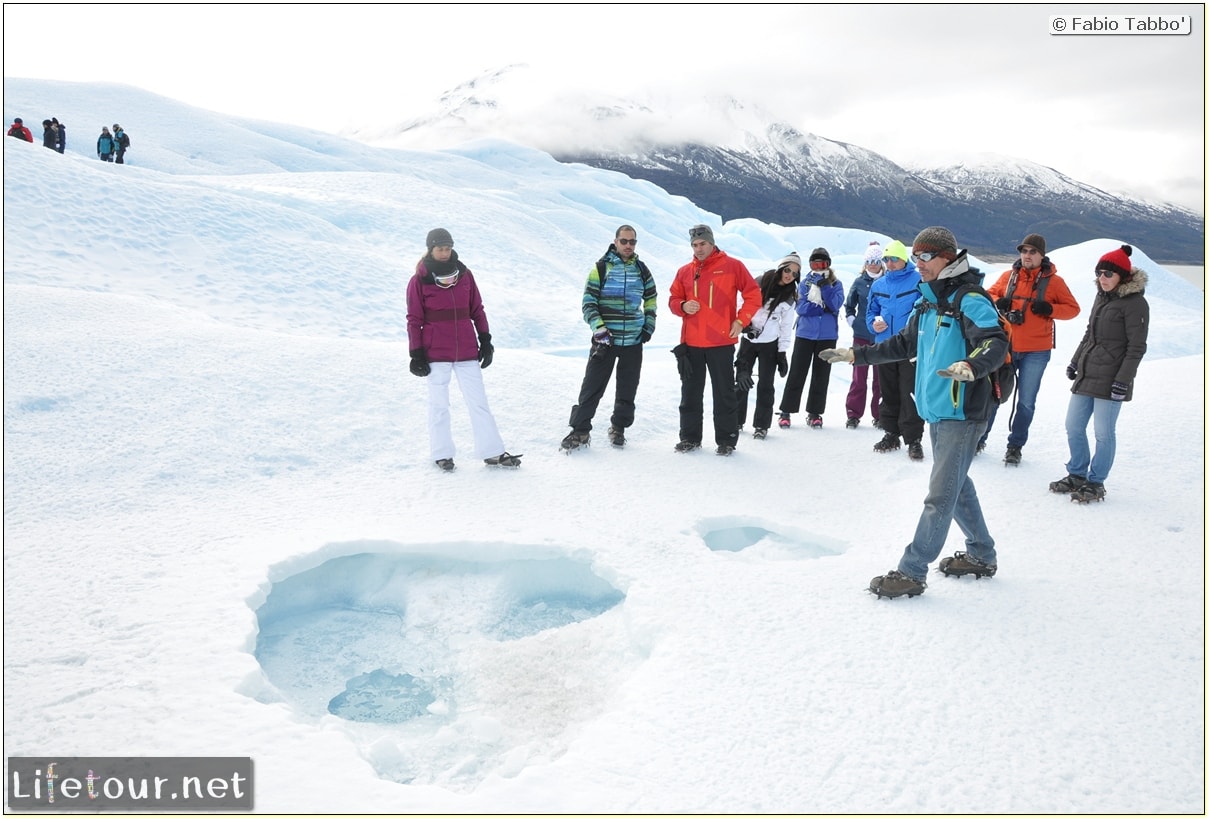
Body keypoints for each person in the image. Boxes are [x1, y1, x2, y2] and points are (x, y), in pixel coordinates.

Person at [821, 226, 1009, 599]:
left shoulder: (968, 299)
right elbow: (903, 343)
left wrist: (973, 365)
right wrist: (858, 354)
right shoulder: (928, 301)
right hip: (937, 408)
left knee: (940, 495)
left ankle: (912, 570)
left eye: (926, 257)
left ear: (948, 258)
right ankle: (982, 554)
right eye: (916, 256)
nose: (918, 263)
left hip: (963, 409)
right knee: (956, 483)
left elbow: (994, 340)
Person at [406, 227, 521, 471]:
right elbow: (414, 319)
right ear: (430, 249)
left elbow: (477, 309)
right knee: (439, 405)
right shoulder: (418, 280)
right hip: (435, 352)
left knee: (478, 402)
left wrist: (486, 339)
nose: (445, 253)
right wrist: (416, 353)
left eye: (448, 248)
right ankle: (442, 454)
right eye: (440, 249)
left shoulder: (465, 275)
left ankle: (492, 452)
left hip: (467, 349)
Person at [1050, 245, 1149, 504]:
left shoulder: (1136, 304)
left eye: (1108, 274)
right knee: (1073, 426)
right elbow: (1089, 334)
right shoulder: (1102, 297)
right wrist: (1075, 362)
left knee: (1104, 433)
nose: (1102, 278)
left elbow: (1136, 348)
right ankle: (1077, 473)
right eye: (1099, 273)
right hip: (1088, 372)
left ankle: (1096, 482)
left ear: (1122, 277)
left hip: (1113, 378)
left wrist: (1122, 381)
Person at [980, 233, 1081, 464]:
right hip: (1008, 346)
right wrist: (998, 302)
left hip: (1036, 351)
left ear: (1042, 255)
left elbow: (1073, 309)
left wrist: (1049, 309)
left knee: (1026, 402)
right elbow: (987, 294)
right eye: (1024, 251)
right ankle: (980, 438)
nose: (1027, 255)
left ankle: (1015, 446)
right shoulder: (1008, 277)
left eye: (1032, 251)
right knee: (994, 395)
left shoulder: (1055, 282)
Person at [561, 224, 658, 451]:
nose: (628, 245)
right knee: (592, 385)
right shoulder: (601, 268)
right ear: (615, 242)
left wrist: (649, 324)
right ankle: (580, 430)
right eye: (624, 241)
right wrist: (599, 328)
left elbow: (651, 297)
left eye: (632, 242)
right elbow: (588, 303)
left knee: (628, 387)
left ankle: (618, 428)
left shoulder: (642, 270)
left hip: (633, 340)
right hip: (605, 341)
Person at [668, 224, 761, 455]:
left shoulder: (732, 266)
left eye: (703, 244)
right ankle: (690, 438)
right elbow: (673, 299)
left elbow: (753, 294)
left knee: (724, 393)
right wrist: (682, 306)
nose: (699, 249)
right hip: (691, 344)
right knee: (690, 393)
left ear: (712, 243)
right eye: (695, 245)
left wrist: (740, 321)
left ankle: (727, 440)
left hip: (721, 342)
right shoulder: (684, 272)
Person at [866, 239, 925, 459]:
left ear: (904, 260)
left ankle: (913, 439)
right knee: (888, 390)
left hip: (909, 346)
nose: (890, 263)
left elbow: (923, 311)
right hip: (885, 345)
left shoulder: (918, 280)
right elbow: (871, 311)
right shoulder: (878, 285)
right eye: (887, 259)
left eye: (894, 259)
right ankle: (891, 433)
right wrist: (873, 323)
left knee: (909, 392)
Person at [777, 247, 844, 429]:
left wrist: (825, 287)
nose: (817, 267)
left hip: (827, 335)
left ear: (828, 265)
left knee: (821, 375)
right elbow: (801, 308)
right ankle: (786, 411)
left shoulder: (835, 284)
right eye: (814, 264)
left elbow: (836, 304)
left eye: (821, 264)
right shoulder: (805, 283)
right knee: (797, 372)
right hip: (805, 334)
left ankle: (815, 413)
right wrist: (822, 308)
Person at [735, 253, 799, 439]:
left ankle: (762, 425)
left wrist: (782, 352)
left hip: (769, 345)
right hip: (748, 339)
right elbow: (742, 301)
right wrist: (742, 323)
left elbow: (786, 326)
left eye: (794, 274)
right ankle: (736, 421)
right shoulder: (759, 281)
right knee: (741, 381)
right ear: (781, 267)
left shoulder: (789, 297)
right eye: (787, 270)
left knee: (766, 385)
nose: (789, 276)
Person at [843, 241, 884, 429]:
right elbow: (849, 304)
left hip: (882, 336)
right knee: (859, 376)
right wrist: (853, 321)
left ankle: (880, 414)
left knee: (880, 378)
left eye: (876, 260)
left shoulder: (887, 280)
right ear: (865, 262)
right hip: (861, 335)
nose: (873, 264)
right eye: (869, 261)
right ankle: (853, 414)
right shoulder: (859, 282)